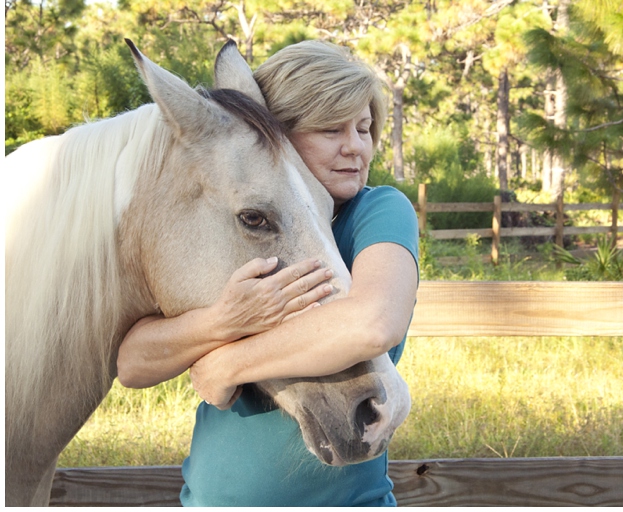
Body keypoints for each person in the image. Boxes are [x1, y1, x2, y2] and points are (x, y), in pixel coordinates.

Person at [116, 40, 419, 506]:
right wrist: (223, 321)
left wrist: (226, 363)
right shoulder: (240, 226)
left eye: (364, 129)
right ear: (278, 131)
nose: (355, 147)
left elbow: (372, 323)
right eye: (332, 129)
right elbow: (133, 362)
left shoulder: (378, 211)